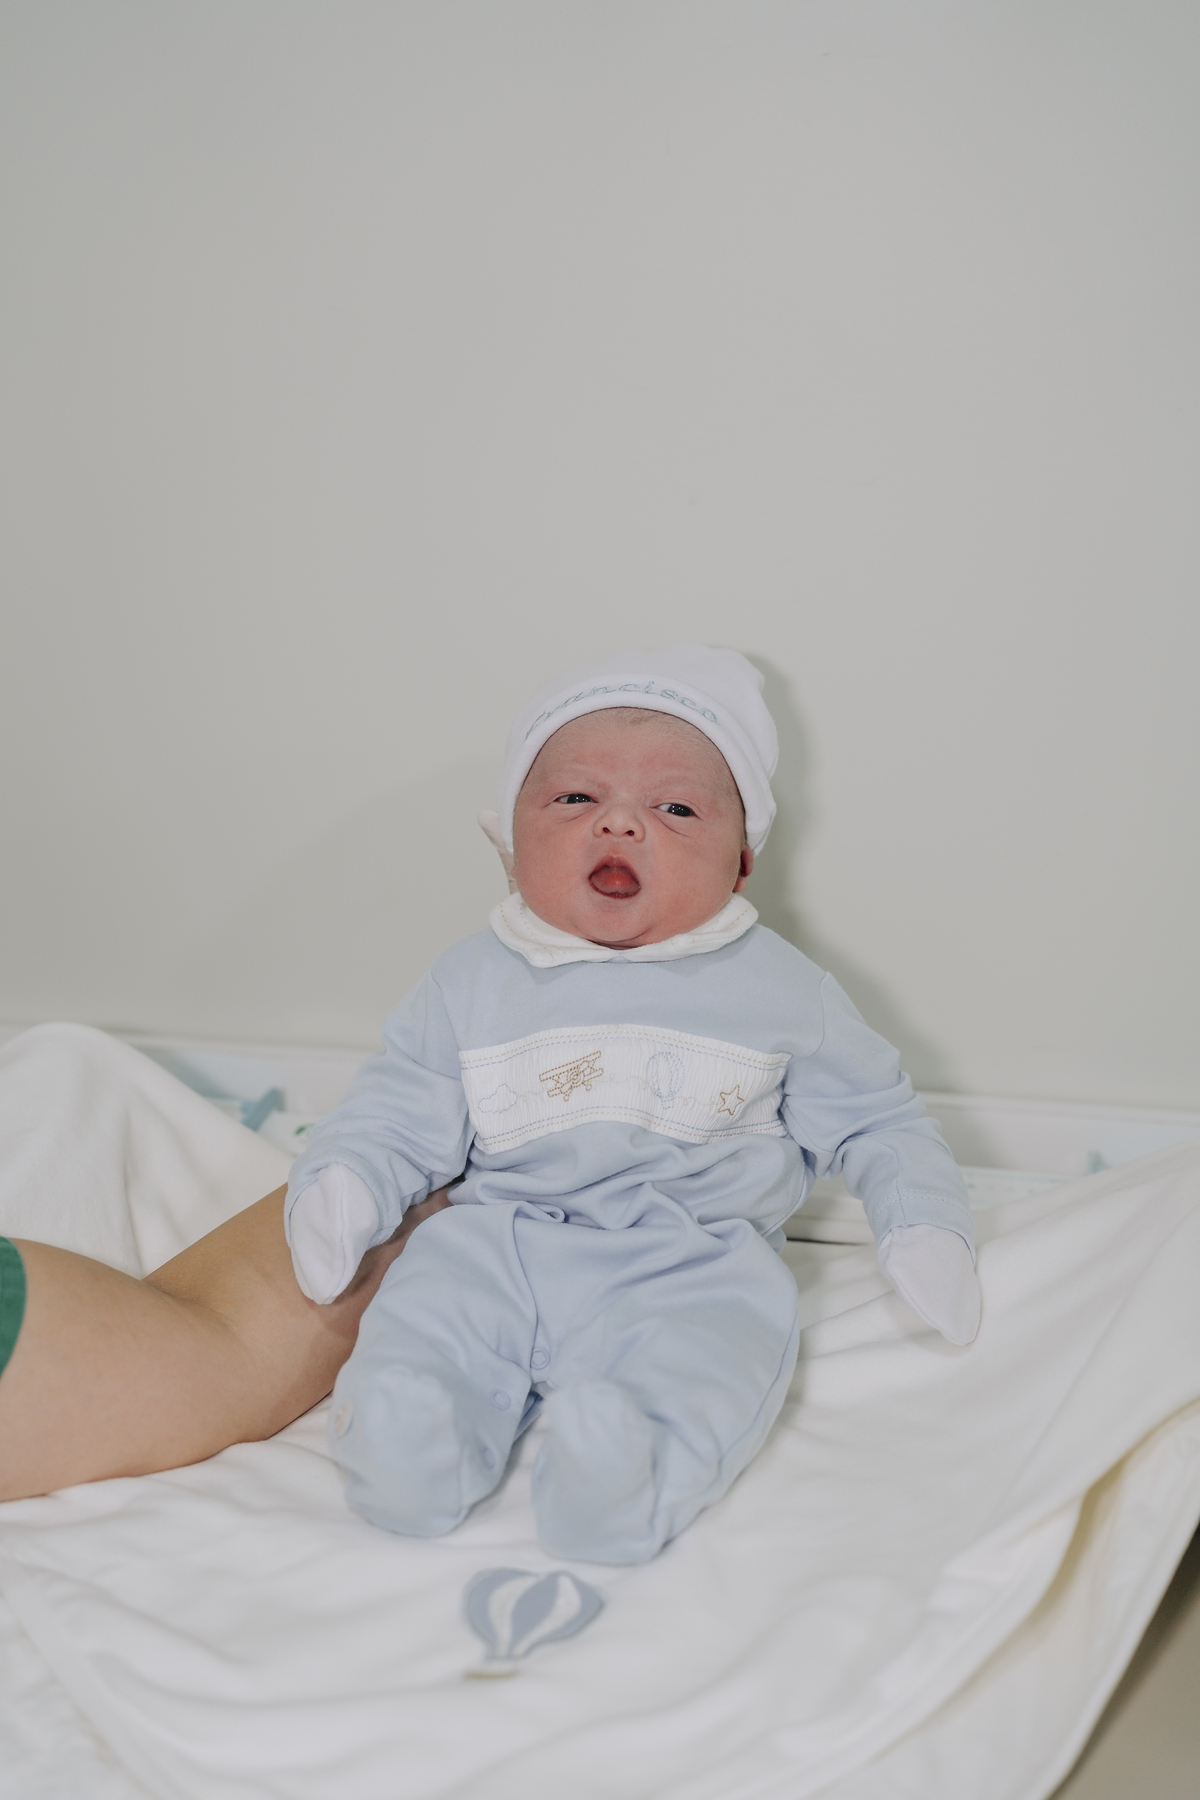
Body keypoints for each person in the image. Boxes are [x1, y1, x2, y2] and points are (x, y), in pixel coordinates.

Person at [285, 645, 981, 1565]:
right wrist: (347, 1181)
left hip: (692, 1255)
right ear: (511, 842)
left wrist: (921, 1222)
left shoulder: (779, 990)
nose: (619, 821)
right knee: (429, 1319)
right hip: (497, 1239)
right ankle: (413, 1441)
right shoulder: (470, 979)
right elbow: (399, 1105)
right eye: (575, 797)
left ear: (740, 862)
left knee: (705, 1352)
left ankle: (628, 1466)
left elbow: (878, 1120)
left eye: (676, 808)